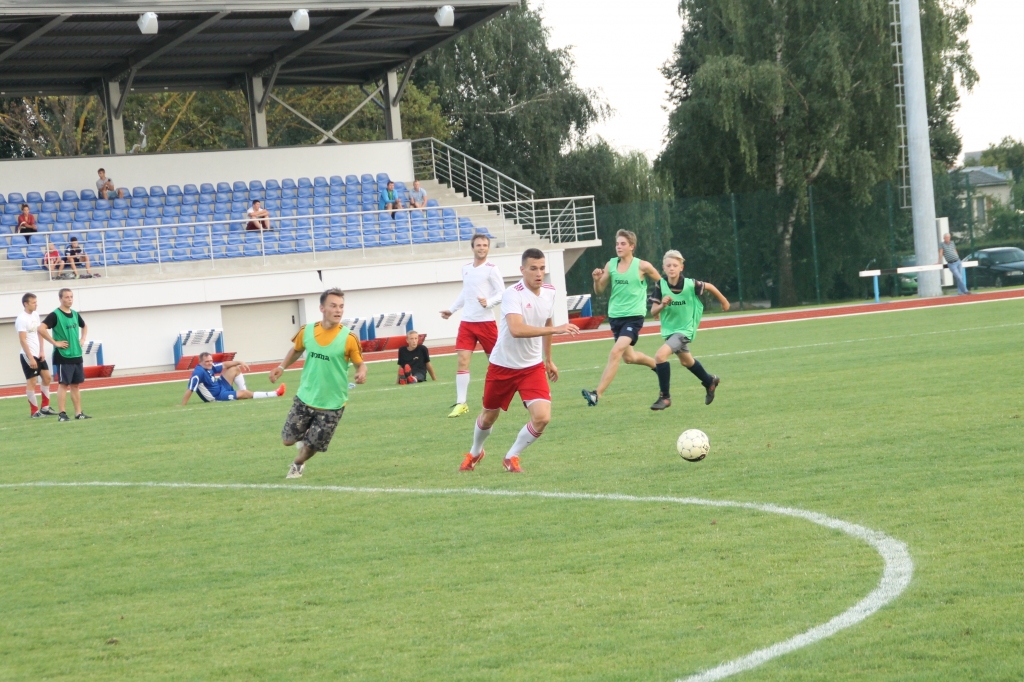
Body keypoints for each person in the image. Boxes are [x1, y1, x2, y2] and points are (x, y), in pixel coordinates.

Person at [459, 248, 580, 474]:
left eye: (542, 268)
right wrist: (556, 328)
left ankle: (511, 456)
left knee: (542, 418)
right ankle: (476, 451)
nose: (539, 273)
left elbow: (547, 321)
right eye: (533, 268)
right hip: (502, 365)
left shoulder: (550, 292)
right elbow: (516, 329)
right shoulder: (512, 294)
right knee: (488, 417)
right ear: (522, 270)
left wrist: (549, 359)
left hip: (531, 367)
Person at [269, 288, 367, 479]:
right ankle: (305, 437)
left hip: (332, 403)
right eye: (333, 306)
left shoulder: (349, 338)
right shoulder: (307, 331)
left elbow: (360, 364)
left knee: (311, 446)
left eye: (341, 307)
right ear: (322, 308)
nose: (338, 310)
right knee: (287, 440)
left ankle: (298, 464)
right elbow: (297, 349)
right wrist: (281, 367)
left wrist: (361, 373)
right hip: (305, 397)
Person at [581, 229, 661, 407]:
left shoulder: (643, 266)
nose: (619, 246)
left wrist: (659, 306)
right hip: (615, 318)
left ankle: (596, 394)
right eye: (617, 243)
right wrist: (596, 280)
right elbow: (599, 290)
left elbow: (661, 284)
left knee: (616, 352)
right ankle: (657, 366)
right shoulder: (611, 265)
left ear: (632, 246)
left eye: (623, 243)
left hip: (634, 317)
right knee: (629, 358)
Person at [648, 250, 730, 410]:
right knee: (686, 361)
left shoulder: (690, 284)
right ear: (663, 268)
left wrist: (724, 301)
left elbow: (710, 286)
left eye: (675, 265)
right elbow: (653, 312)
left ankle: (665, 397)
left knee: (660, 356)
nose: (671, 268)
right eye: (668, 265)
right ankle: (709, 381)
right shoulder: (660, 285)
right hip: (670, 331)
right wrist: (662, 305)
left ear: (681, 268)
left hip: (685, 330)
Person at [440, 233, 505, 417]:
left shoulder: (492, 269)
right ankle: (461, 403)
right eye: (478, 245)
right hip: (467, 322)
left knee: (496, 362)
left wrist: (489, 302)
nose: (482, 247)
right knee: (462, 360)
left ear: (488, 248)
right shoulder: (466, 268)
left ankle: (501, 394)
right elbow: (465, 292)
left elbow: (502, 293)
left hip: (486, 323)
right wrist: (451, 310)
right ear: (472, 247)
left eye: (485, 245)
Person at [36, 288, 90, 421]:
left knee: (75, 385)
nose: (70, 299)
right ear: (60, 299)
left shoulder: (75, 314)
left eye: (71, 297)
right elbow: (41, 328)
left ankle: (78, 413)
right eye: (66, 297)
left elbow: (84, 326)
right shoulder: (55, 315)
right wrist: (55, 342)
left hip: (76, 354)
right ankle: (62, 414)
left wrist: (82, 339)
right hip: (63, 355)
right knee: (63, 384)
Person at [181, 352, 286, 405]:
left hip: (220, 386)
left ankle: (243, 392)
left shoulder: (210, 366)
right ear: (200, 362)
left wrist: (239, 362)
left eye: (211, 360)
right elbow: (190, 388)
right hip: (217, 396)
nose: (210, 363)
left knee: (234, 369)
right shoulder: (198, 373)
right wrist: (183, 404)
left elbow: (225, 364)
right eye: (207, 361)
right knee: (245, 394)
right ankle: (275, 393)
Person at [15, 293, 56, 418]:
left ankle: (45, 407)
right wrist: (31, 357)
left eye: (36, 302)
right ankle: (34, 412)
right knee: (32, 382)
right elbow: (22, 340)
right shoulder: (21, 319)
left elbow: (39, 333)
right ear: (25, 304)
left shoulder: (35, 315)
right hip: (28, 355)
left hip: (38, 354)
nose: (36, 304)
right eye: (33, 302)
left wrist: (42, 350)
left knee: (47, 378)